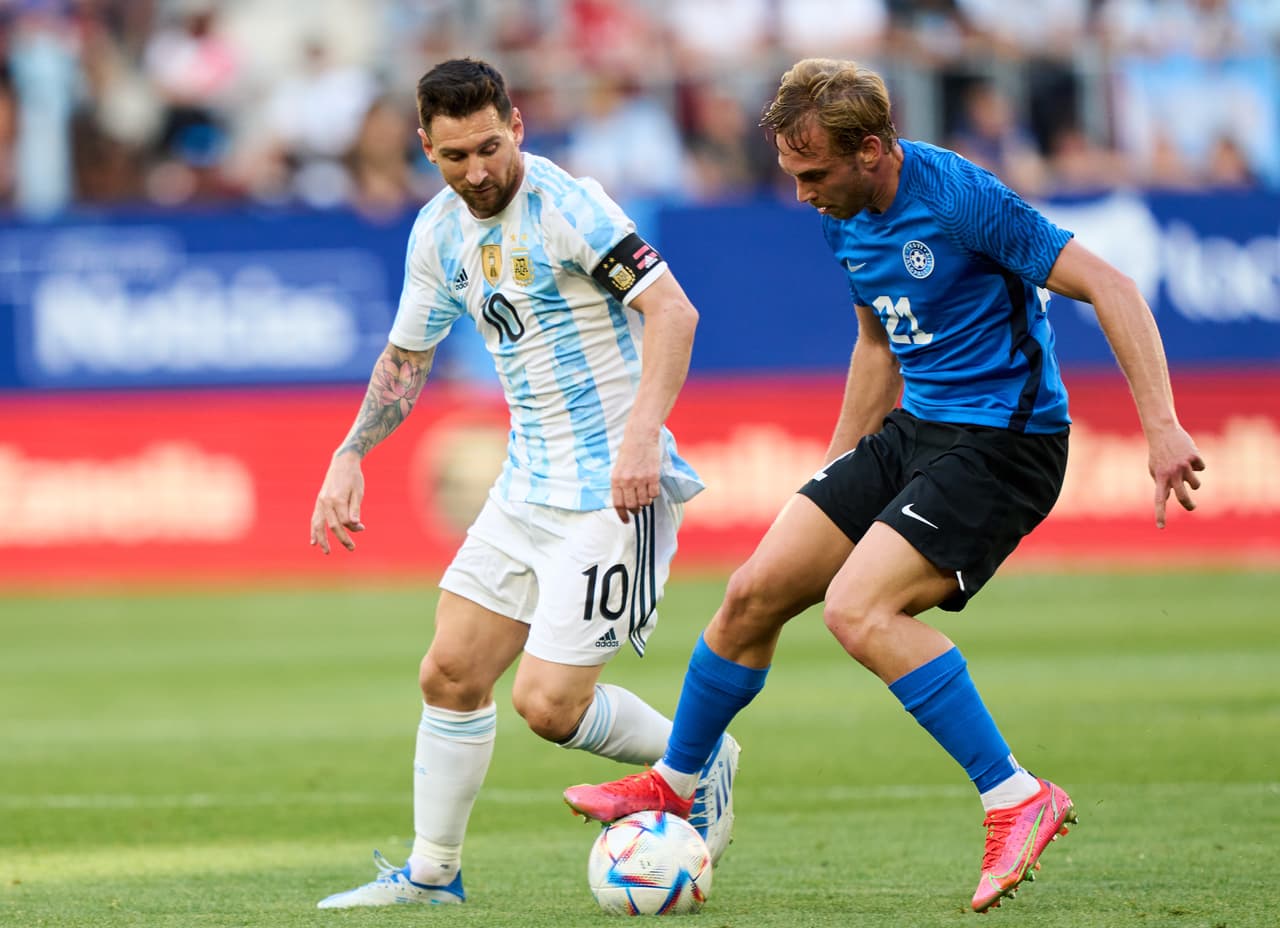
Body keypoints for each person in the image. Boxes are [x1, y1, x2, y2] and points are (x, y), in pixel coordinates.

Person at [564, 57, 1205, 913]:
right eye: (792, 174)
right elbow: (876, 342)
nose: (800, 193)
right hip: (916, 429)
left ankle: (1016, 798)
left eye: (814, 173)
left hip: (1005, 443)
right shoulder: (843, 212)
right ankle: (675, 783)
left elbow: (1111, 285)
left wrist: (1161, 426)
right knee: (753, 592)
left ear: (872, 150)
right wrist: (835, 468)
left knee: (857, 611)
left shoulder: (960, 197)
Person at [308, 57, 739, 909]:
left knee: (548, 705)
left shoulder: (568, 206)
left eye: (491, 147)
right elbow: (408, 357)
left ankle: (703, 757)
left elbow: (673, 311)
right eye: (455, 155)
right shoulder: (436, 232)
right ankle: (433, 877)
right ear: (426, 147)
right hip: (523, 488)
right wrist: (348, 453)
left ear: (517, 126)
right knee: (451, 672)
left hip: (612, 492)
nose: (478, 171)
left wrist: (642, 440)